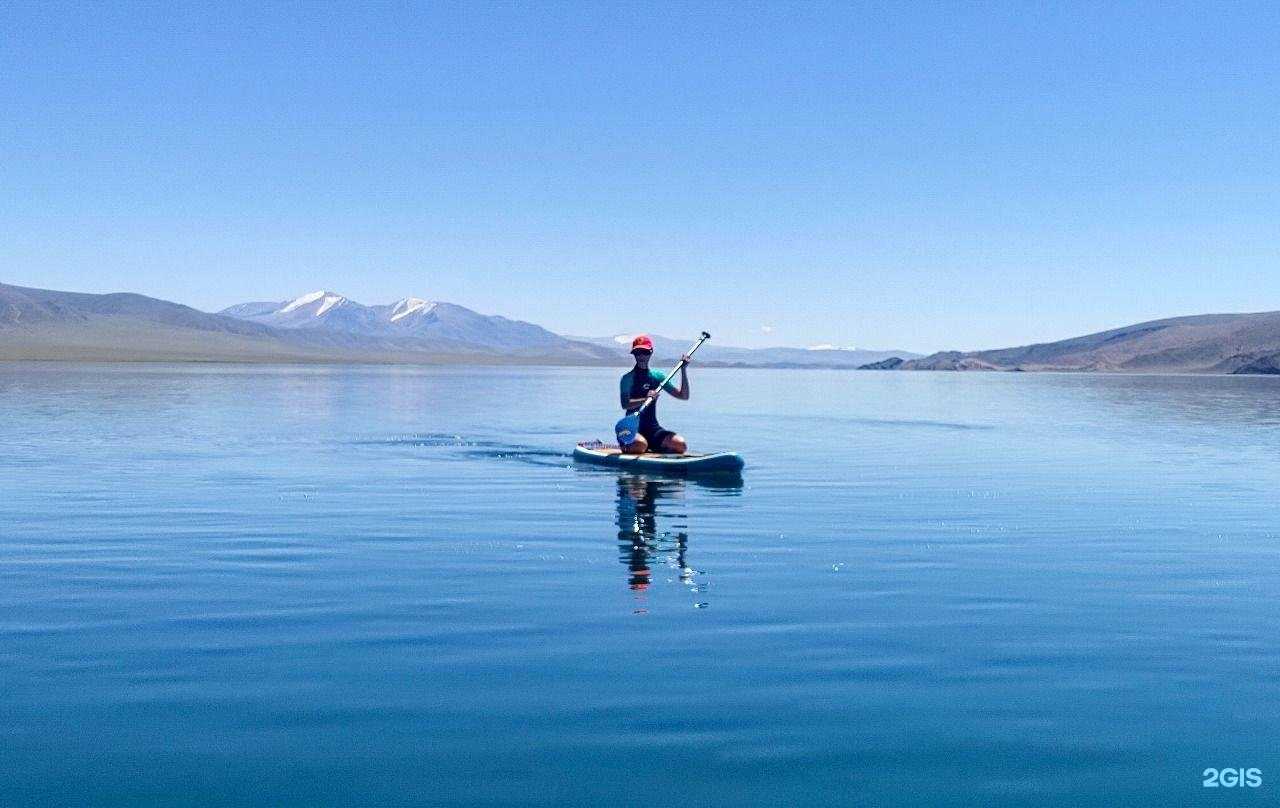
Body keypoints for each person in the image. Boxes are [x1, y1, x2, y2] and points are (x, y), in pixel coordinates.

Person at [618, 334, 690, 454]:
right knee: (641, 444)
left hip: (652, 429)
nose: (641, 356)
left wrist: (683, 370)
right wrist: (645, 399)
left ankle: (655, 449)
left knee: (680, 445)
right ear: (634, 354)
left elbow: (683, 396)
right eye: (638, 352)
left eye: (645, 352)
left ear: (651, 353)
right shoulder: (627, 378)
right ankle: (629, 445)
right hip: (631, 428)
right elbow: (625, 404)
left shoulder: (657, 377)